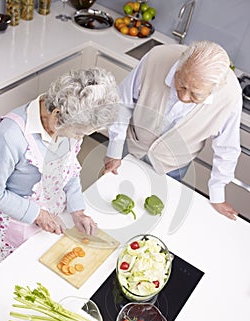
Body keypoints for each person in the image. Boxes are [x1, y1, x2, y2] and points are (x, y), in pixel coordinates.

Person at [0, 67, 119, 271]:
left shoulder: (67, 126)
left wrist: (77, 210)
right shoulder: (10, 136)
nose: (79, 138)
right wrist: (38, 215)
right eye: (78, 133)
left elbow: (70, 170)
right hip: (14, 227)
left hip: (53, 220)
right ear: (57, 114)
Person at [103, 41, 242, 221]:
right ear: (180, 64)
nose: (183, 96)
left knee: (148, 217)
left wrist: (217, 195)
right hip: (129, 147)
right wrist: (114, 151)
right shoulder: (157, 57)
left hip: (173, 166)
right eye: (181, 84)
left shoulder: (230, 96)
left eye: (195, 95)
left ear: (213, 91)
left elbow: (227, 148)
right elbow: (122, 102)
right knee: (108, 202)